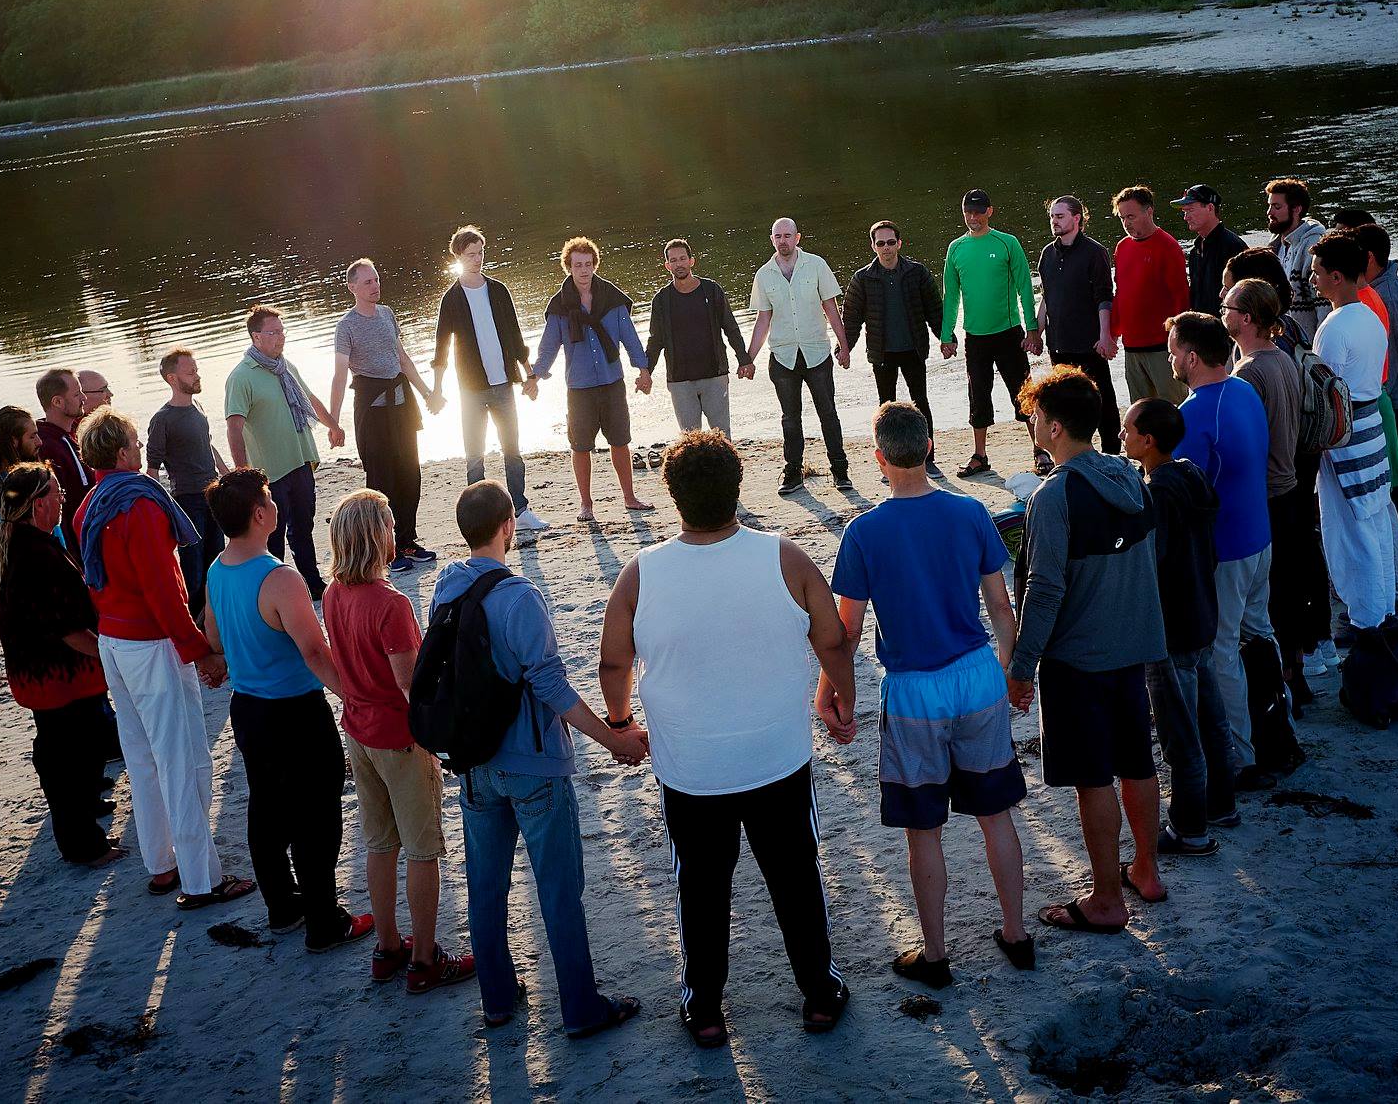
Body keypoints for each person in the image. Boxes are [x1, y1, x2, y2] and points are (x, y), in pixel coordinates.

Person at [600, 431, 854, 1043]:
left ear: (672, 496)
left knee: (701, 887)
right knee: (795, 877)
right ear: (737, 488)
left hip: (691, 765)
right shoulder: (785, 557)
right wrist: (840, 698)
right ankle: (819, 994)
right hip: (777, 756)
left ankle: (706, 1007)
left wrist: (619, 721)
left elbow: (614, 663)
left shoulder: (642, 573)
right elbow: (832, 640)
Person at [821, 403, 1033, 984]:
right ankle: (1016, 932)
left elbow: (847, 633)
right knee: (995, 814)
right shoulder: (970, 514)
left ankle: (936, 953)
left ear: (879, 458)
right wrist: (1012, 670)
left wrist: (833, 695)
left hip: (914, 688)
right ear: (932, 447)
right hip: (975, 673)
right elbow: (1000, 606)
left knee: (925, 828)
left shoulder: (863, 532)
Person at [434, 481, 644, 1038]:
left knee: (486, 887)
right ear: (508, 525)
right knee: (557, 890)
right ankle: (579, 1007)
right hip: (534, 764)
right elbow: (549, 683)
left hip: (474, 761)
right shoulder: (520, 596)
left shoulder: (445, 589)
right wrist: (613, 737)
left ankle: (498, 999)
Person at [75, 408, 255, 911]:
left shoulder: (90, 504)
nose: (139, 450)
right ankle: (201, 879)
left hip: (113, 640)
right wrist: (199, 652)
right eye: (134, 441)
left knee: (141, 757)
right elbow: (164, 592)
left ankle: (161, 864)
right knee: (182, 758)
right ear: (122, 451)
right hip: (149, 644)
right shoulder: (139, 506)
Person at [1008, 366, 1167, 933]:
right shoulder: (1129, 475)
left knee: (1095, 776)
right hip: (1136, 645)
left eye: (1033, 419)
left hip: (1080, 658)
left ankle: (1105, 898)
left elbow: (1044, 589)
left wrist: (1022, 666)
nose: (1030, 427)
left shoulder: (1055, 497)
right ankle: (1145, 869)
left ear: (1052, 428)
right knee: (1137, 760)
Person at [204, 468, 373, 952]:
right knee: (316, 816)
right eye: (270, 500)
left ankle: (282, 906)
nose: (277, 506)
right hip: (295, 710)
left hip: (250, 709)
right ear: (260, 515)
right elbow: (315, 653)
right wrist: (354, 695)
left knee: (267, 807)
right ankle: (324, 922)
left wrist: (221, 661)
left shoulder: (217, 570)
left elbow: (213, 638)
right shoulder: (280, 577)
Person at [323, 489, 477, 993]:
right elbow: (412, 685)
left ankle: (388, 946)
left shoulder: (331, 594)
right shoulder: (390, 605)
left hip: (359, 733)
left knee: (379, 843)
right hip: (400, 739)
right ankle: (426, 960)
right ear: (374, 536)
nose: (396, 533)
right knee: (423, 849)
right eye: (389, 525)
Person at [0, 461, 123, 867]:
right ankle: (83, 844)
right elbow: (67, 630)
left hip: (37, 675)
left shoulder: (16, 542)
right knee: (71, 757)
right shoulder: (34, 555)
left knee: (64, 752)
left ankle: (81, 823)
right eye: (56, 493)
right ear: (36, 505)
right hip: (58, 677)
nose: (63, 499)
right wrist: (111, 655)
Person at [1165, 312, 1276, 788]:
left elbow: (1188, 492)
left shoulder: (1193, 413)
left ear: (1192, 356)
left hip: (1227, 550)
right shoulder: (1246, 390)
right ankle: (1279, 726)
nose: (1170, 357)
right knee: (1261, 633)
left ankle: (1241, 757)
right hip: (1260, 537)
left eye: (1172, 350)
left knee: (1222, 650)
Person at [1122, 400, 1237, 852]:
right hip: (1204, 613)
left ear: (1148, 441)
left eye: (1128, 429)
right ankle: (1222, 805)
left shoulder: (1157, 493)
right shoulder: (1191, 475)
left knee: (1180, 735)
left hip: (1172, 627)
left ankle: (1190, 829)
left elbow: (1153, 562)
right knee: (1212, 722)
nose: (1122, 435)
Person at [1222, 281, 1314, 704]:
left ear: (1246, 318)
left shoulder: (1249, 372)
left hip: (1269, 494)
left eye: (1229, 306)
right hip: (1292, 486)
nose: (1223, 311)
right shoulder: (1281, 358)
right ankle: (1296, 675)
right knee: (1289, 587)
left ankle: (1282, 682)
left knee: (1270, 596)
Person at [330, 258, 445, 572]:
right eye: (367, 282)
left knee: (411, 475)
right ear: (352, 287)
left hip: (402, 408)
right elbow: (340, 375)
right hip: (373, 413)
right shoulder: (346, 326)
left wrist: (428, 393)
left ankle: (407, 542)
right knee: (382, 483)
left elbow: (403, 359)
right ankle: (383, 552)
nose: (374, 286)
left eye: (376, 280)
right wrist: (333, 421)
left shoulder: (387, 314)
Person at [431, 225, 547, 535]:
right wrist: (437, 389)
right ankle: (479, 520)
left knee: (512, 449)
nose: (477, 259)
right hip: (470, 388)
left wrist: (529, 374)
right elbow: (442, 345)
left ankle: (520, 511)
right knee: (474, 456)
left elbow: (515, 334)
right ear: (458, 257)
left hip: (503, 384)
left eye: (480, 253)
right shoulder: (452, 298)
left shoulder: (498, 290)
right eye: (470, 255)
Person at [225, 305, 345, 601]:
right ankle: (274, 592)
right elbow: (234, 427)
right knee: (272, 536)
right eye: (273, 332)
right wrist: (242, 473)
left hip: (301, 461)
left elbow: (309, 398)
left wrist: (333, 425)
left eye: (282, 331)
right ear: (256, 337)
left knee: (304, 527)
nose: (281, 337)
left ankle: (313, 585)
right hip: (270, 472)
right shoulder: (241, 377)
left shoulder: (285, 365)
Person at [529, 237, 654, 521]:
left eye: (588, 264)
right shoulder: (560, 305)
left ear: (595, 265)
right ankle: (586, 504)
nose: (583, 270)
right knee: (581, 446)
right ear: (568, 268)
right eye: (577, 265)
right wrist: (536, 373)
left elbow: (630, 338)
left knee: (620, 441)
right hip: (579, 387)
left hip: (612, 382)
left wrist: (643, 369)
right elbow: (549, 346)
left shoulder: (611, 298)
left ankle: (629, 497)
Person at [1310, 233, 1397, 633]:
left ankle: (1366, 618)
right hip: (1372, 428)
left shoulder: (1335, 326)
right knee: (1374, 518)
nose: (1313, 280)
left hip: (1345, 435)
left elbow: (1323, 392)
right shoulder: (1370, 316)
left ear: (1338, 276)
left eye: (1317, 273)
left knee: (1350, 529)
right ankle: (1383, 610)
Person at [939, 189, 1040, 478]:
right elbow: (951, 295)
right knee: (978, 395)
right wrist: (947, 335)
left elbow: (1025, 288)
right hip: (976, 338)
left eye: (979, 212)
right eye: (968, 212)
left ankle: (1040, 449)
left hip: (1009, 333)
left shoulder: (1007, 243)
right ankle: (980, 455)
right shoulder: (956, 248)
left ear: (989, 212)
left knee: (1024, 393)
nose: (973, 217)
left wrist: (1032, 330)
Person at [749, 218, 853, 495]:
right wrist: (748, 358)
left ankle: (840, 470)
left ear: (798, 238)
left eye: (787, 235)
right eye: (777, 236)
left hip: (817, 352)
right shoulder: (764, 274)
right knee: (790, 418)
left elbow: (831, 308)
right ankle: (793, 473)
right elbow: (763, 320)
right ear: (772, 239)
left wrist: (844, 347)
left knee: (828, 413)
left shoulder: (816, 265)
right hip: (783, 357)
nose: (783, 240)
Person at [840, 221, 944, 476]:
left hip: (913, 349)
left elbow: (934, 309)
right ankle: (888, 463)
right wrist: (845, 348)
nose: (885, 248)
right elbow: (851, 318)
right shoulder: (863, 278)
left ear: (899, 243)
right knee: (885, 408)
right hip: (882, 352)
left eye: (890, 242)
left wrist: (946, 339)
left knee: (921, 403)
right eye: (880, 243)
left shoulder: (916, 272)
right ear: (873, 246)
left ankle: (927, 460)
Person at [1358, 222, 1398, 584]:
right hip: (1396, 404)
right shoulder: (1382, 289)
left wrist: (1373, 397)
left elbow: (1396, 360)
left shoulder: (1387, 295)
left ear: (1368, 258)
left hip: (1396, 406)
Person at [638, 237, 753, 438]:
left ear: (692, 261)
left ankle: (726, 470)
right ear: (667, 266)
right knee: (690, 441)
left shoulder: (711, 290)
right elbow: (655, 341)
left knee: (722, 437)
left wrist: (744, 360)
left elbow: (731, 328)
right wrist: (647, 373)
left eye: (682, 258)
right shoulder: (661, 300)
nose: (679, 263)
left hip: (715, 377)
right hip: (680, 381)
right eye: (673, 260)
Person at [146, 347, 229, 623]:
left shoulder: (198, 407)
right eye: (190, 372)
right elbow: (152, 469)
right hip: (187, 501)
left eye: (196, 370)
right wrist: (156, 510)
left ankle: (215, 619)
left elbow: (207, 444)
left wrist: (227, 474)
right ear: (172, 378)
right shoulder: (162, 419)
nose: (197, 375)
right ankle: (195, 623)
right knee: (193, 568)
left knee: (216, 561)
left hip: (213, 496)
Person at [1036, 195, 1121, 454]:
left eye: (1059, 216)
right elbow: (1046, 298)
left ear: (1077, 218)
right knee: (1065, 405)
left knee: (1101, 400)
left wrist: (1106, 336)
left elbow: (1104, 298)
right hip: (1059, 344)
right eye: (1052, 216)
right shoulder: (1047, 254)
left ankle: (1112, 454)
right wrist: (1035, 333)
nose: (1054, 221)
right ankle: (1072, 453)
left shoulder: (1095, 252)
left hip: (1089, 344)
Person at [1109, 188, 1190, 406]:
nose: (1126, 223)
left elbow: (1181, 298)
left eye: (1131, 216)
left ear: (1149, 212)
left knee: (1173, 409)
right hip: (1132, 347)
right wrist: (1112, 333)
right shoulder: (1122, 247)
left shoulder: (1168, 246)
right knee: (1141, 412)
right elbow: (1121, 294)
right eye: (1123, 218)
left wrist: (1181, 342)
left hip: (1162, 347)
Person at [34, 367, 93, 555]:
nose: (84, 398)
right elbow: (59, 508)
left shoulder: (71, 436)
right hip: (78, 548)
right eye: (77, 394)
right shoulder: (47, 447)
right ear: (57, 402)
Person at [1264, 179, 1329, 340]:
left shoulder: (1312, 245)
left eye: (1277, 207)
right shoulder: (1275, 246)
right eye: (1269, 205)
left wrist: (1317, 353)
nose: (1269, 212)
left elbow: (1324, 304)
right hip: (1281, 341)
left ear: (1296, 209)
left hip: (1305, 346)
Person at [1174, 185, 1248, 315]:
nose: (1186, 217)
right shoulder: (1194, 251)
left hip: (1226, 329)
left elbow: (1248, 296)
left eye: (1190, 210)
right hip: (1203, 329)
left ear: (1210, 208)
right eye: (1184, 212)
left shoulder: (1233, 247)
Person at [0, 404, 41, 516]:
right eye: (32, 437)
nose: (39, 442)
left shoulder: (3, 484)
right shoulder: (14, 489)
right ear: (13, 441)